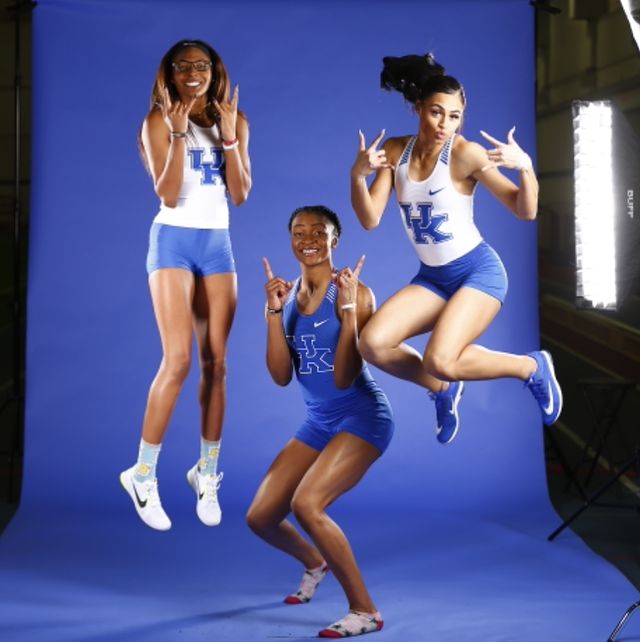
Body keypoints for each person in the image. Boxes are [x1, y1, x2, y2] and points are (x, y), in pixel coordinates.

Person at [350, 53, 562, 445]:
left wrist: (526, 168)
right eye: (436, 113)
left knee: (442, 359)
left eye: (454, 116)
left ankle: (530, 367)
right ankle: (443, 389)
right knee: (373, 344)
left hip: (478, 272)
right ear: (418, 108)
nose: (445, 125)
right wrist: (357, 176)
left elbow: (525, 210)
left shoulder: (464, 154)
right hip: (433, 278)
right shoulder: (395, 152)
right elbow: (369, 219)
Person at [120, 39, 251, 531]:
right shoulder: (157, 121)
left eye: (202, 65)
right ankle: (143, 473)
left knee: (217, 363)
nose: (193, 73)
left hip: (218, 244)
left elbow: (240, 193)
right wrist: (177, 134)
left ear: (215, 70)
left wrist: (231, 136)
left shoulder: (233, 120)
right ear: (170, 74)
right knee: (177, 359)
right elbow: (169, 194)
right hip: (173, 240)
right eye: (183, 66)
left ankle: (207, 471)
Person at [246, 206, 393, 638]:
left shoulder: (356, 293)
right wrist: (273, 314)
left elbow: (345, 376)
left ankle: (365, 611)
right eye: (298, 231)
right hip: (318, 421)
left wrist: (348, 313)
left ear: (335, 240)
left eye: (319, 231)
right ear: (290, 239)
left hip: (363, 416)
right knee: (260, 517)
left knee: (307, 504)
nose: (307, 238)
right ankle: (315, 562)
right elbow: (280, 376)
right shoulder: (286, 297)